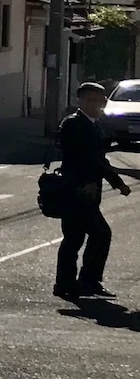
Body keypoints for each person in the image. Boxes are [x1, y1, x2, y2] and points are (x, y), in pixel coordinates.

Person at [56, 81, 131, 300]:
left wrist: (118, 183)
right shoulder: (73, 124)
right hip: (75, 191)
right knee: (94, 234)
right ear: (80, 101)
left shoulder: (94, 125)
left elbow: (100, 161)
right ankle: (76, 283)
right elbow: (74, 158)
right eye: (90, 100)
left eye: (99, 100)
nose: (95, 104)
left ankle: (79, 283)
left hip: (89, 193)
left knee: (81, 237)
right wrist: (86, 181)